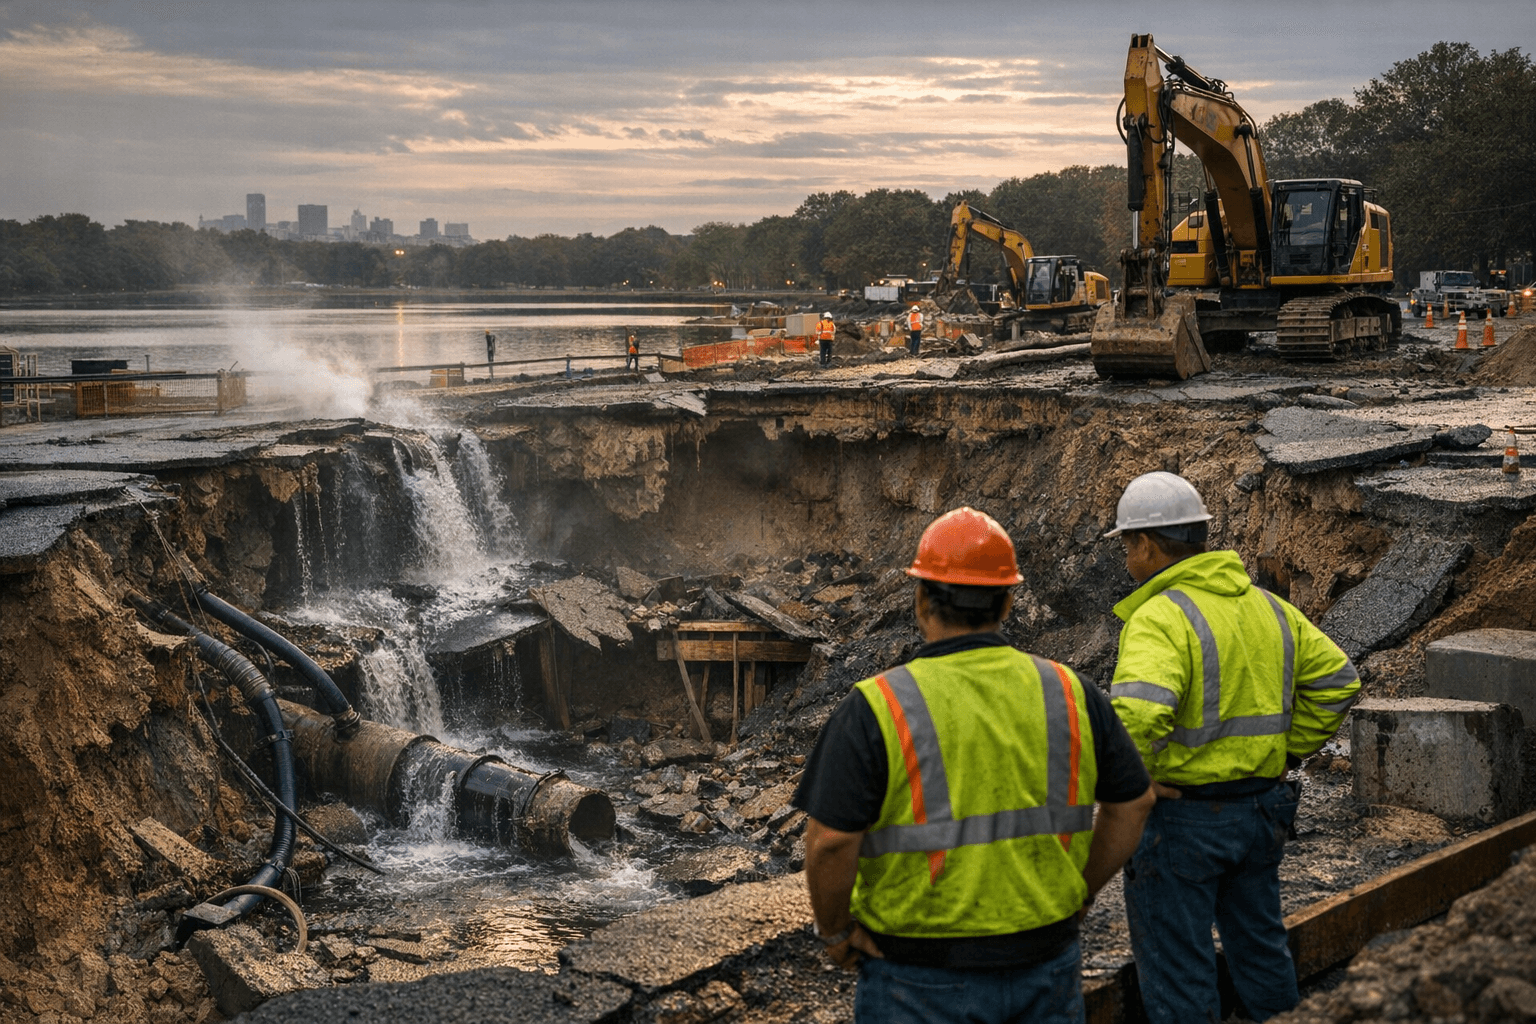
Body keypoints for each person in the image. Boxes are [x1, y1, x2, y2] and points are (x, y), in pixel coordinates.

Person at [795, 507, 1156, 1024]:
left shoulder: (878, 704)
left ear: (921, 599)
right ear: (1008, 602)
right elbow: (1134, 803)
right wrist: (1081, 892)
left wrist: (834, 932)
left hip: (917, 978)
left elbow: (829, 841)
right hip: (1045, 965)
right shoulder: (1069, 691)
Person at [1104, 471, 1361, 1024]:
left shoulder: (1160, 616)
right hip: (1262, 810)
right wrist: (1289, 751)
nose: (1127, 556)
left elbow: (1137, 715)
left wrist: (1130, 782)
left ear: (1146, 545)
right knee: (1261, 949)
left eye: (1127, 544)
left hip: (1183, 822)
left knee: (1180, 971)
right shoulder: (1269, 608)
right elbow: (1340, 680)